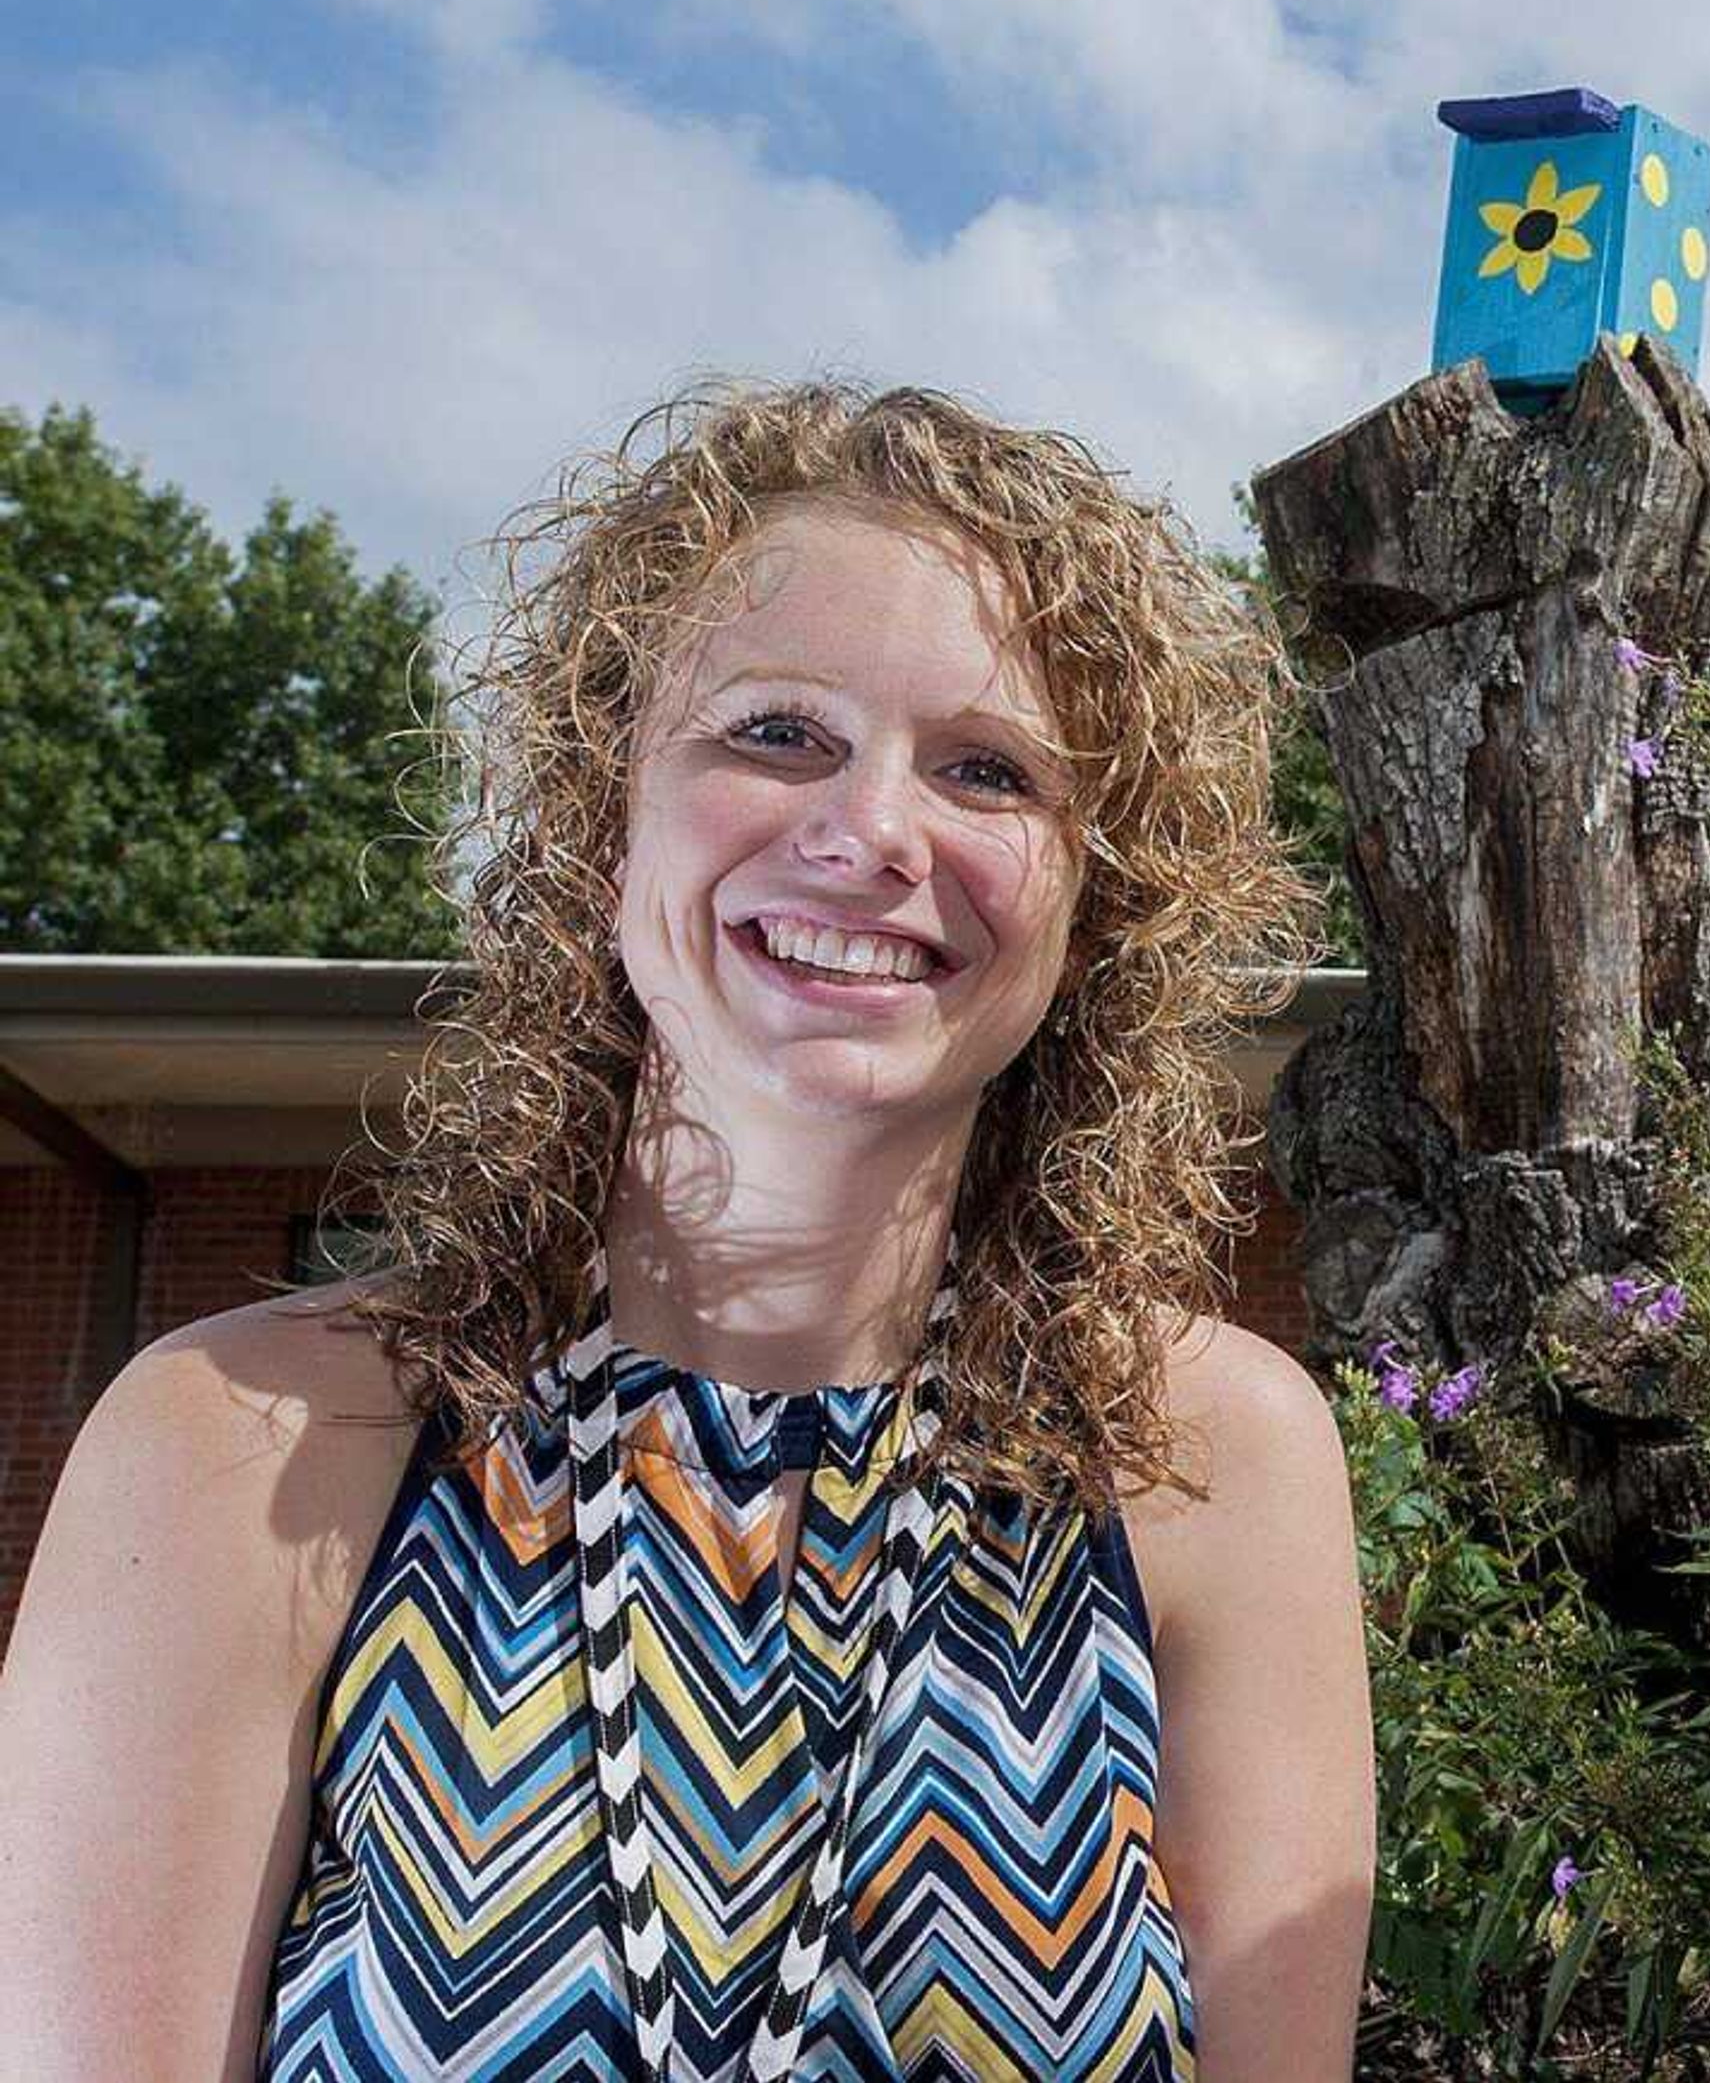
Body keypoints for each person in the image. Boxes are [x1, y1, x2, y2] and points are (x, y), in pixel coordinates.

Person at [0, 382, 1373, 2077]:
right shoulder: (240, 1449)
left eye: (987, 768)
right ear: (599, 819)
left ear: (1097, 906)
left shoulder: (1210, 1459)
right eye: (777, 731)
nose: (871, 831)